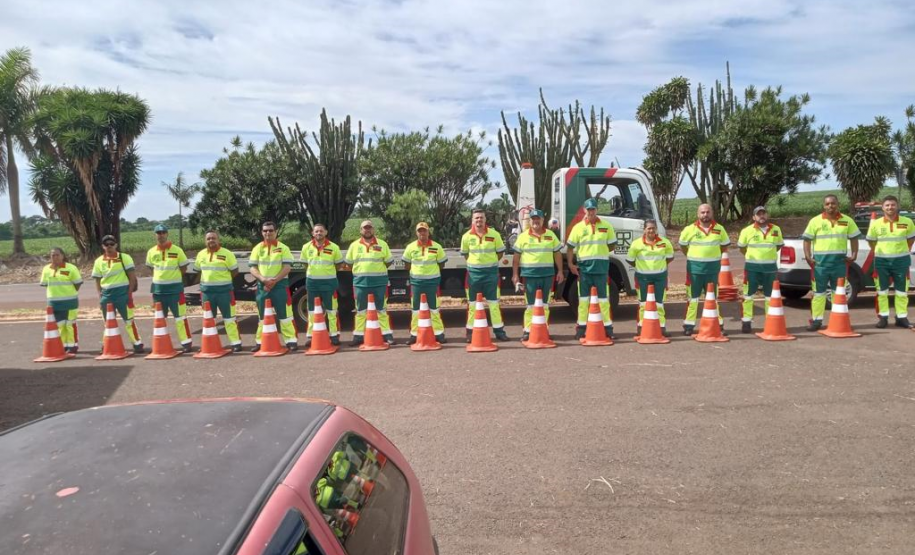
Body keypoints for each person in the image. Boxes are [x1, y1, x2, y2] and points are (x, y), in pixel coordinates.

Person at [802, 194, 861, 331]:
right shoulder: (815, 221)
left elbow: (854, 238)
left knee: (839, 293)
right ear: (824, 206)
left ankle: (839, 320)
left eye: (833, 203)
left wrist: (854, 254)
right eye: (828, 204)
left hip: (839, 264)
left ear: (837, 204)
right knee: (818, 294)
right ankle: (816, 321)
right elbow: (807, 240)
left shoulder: (847, 221)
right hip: (820, 265)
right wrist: (808, 256)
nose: (830, 206)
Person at [566, 198, 616, 339]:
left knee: (604, 300)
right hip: (584, 270)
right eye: (589, 209)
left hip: (601, 269)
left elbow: (612, 245)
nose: (591, 212)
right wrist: (570, 264)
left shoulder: (607, 226)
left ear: (597, 210)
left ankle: (608, 329)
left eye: (593, 209)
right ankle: (581, 329)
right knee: (583, 301)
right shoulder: (578, 228)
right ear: (584, 210)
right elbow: (570, 247)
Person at [512, 209, 564, 342]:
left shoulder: (551, 235)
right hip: (529, 276)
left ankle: (543, 329)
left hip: (547, 276)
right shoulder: (523, 236)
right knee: (530, 305)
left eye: (538, 219)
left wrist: (560, 271)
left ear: (543, 220)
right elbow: (516, 257)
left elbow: (557, 254)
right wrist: (515, 275)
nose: (536, 221)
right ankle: (528, 331)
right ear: (530, 221)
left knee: (545, 305)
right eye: (533, 219)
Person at [678, 204, 729, 335]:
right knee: (693, 299)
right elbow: (683, 246)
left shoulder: (719, 229)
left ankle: (718, 325)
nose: (705, 215)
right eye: (702, 212)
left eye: (707, 212)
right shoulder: (689, 229)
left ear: (712, 213)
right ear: (698, 214)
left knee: (712, 298)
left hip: (712, 270)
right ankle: (689, 326)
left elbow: (724, 247)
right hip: (694, 270)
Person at [866, 195, 915, 328]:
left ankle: (901, 317)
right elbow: (871, 242)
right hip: (882, 261)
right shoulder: (876, 224)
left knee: (902, 291)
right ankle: (883, 317)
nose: (890, 207)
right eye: (887, 205)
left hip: (901, 262)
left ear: (897, 206)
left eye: (893, 205)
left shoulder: (907, 222)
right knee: (882, 291)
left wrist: (902, 251)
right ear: (882, 207)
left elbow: (911, 240)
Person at [460, 209, 509, 342]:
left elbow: (500, 253)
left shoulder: (494, 235)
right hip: (473, 275)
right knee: (472, 305)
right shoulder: (466, 236)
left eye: (481, 218)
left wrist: (489, 263)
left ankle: (499, 332)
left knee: (494, 304)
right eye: (476, 218)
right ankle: (470, 333)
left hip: (491, 275)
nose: (479, 220)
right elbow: (466, 255)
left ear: (485, 219)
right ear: (472, 220)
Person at [344, 220, 395, 346]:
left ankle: (386, 334)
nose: (367, 230)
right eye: (364, 228)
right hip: (361, 283)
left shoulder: (382, 244)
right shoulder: (354, 246)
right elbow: (349, 265)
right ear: (361, 230)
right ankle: (358, 336)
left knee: (381, 309)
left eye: (369, 227)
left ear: (373, 229)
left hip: (379, 283)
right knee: (360, 310)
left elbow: (388, 262)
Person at [249, 221, 297, 352]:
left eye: (270, 230)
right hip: (262, 286)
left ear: (276, 232)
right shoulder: (257, 248)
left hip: (280, 286)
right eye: (265, 231)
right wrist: (264, 280)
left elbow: (287, 267)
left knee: (285, 315)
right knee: (262, 316)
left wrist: (274, 281)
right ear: (262, 232)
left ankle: (291, 341)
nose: (268, 233)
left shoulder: (283, 248)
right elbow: (252, 268)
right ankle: (260, 342)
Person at [737, 206, 785, 333]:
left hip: (770, 269)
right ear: (754, 217)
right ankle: (746, 321)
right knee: (748, 296)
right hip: (752, 268)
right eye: (759, 214)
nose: (761, 216)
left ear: (767, 215)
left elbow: (779, 245)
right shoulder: (747, 231)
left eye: (763, 214)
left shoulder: (776, 229)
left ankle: (770, 321)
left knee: (770, 296)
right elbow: (742, 248)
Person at [92, 234, 143, 353]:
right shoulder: (99, 261)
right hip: (107, 295)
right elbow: (97, 280)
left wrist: (129, 294)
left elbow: (132, 277)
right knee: (108, 322)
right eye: (106, 244)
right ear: (103, 246)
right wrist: (100, 296)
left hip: (122, 294)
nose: (109, 246)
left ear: (116, 245)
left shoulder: (124, 258)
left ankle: (137, 343)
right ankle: (107, 345)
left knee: (129, 320)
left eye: (111, 244)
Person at [145, 224, 192, 352]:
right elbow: (151, 268)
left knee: (180, 317)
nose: (161, 235)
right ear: (155, 235)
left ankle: (186, 343)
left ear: (167, 234)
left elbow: (183, 268)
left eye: (163, 232)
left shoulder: (177, 250)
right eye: (158, 233)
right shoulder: (151, 252)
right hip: (158, 290)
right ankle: (162, 344)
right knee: (160, 318)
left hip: (175, 290)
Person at [193, 230, 242, 352]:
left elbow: (234, 271)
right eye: (208, 238)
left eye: (213, 238)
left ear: (218, 240)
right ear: (205, 241)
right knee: (209, 319)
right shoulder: (201, 255)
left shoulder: (227, 254)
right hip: (207, 293)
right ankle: (209, 345)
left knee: (229, 318)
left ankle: (236, 343)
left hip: (225, 292)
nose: (211, 241)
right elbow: (198, 271)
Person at [625, 219, 674, 336]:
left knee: (659, 303)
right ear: (644, 230)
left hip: (660, 278)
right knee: (643, 304)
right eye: (649, 228)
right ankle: (642, 327)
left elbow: (669, 258)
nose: (651, 230)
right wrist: (643, 269)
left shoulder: (665, 242)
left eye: (653, 228)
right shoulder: (636, 244)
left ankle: (661, 327)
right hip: (642, 278)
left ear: (656, 229)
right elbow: (631, 260)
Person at [402, 222, 448, 344]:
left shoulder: (437, 247)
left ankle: (439, 333)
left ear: (428, 232)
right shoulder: (410, 247)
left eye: (424, 230)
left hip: (432, 283)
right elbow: (406, 264)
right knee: (415, 309)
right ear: (416, 233)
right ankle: (414, 334)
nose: (422, 233)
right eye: (420, 231)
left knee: (434, 309)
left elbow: (442, 264)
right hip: (416, 283)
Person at [300, 223, 344, 347]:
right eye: (316, 231)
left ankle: (334, 335)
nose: (318, 233)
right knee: (312, 311)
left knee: (332, 310)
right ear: (312, 233)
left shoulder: (334, 247)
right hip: (312, 283)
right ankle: (311, 336)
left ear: (325, 233)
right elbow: (305, 264)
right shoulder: (306, 247)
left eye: (321, 231)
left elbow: (339, 264)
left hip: (329, 283)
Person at [39, 247, 82, 354]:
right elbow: (45, 284)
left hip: (70, 302)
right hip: (54, 303)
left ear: (63, 256)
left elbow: (77, 284)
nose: (55, 257)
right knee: (59, 325)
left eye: (57, 255)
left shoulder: (71, 268)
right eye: (53, 255)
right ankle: (63, 345)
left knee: (69, 324)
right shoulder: (46, 269)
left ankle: (72, 346)